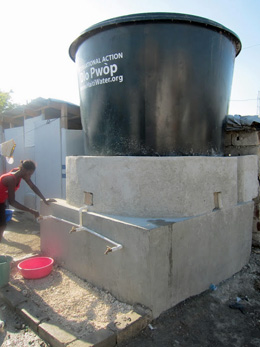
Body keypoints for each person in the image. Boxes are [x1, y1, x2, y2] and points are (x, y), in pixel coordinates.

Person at [0, 160, 54, 242]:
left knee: (2, 225)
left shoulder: (20, 173)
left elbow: (32, 186)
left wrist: (43, 198)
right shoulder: (11, 179)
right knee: (2, 225)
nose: (29, 177)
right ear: (24, 170)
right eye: (29, 174)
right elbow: (12, 202)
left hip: (1, 202)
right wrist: (31, 211)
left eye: (31, 175)